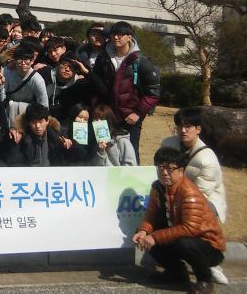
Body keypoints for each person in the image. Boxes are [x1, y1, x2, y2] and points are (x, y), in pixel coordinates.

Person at [133, 146, 226, 294]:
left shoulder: (189, 192)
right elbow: (151, 216)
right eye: (161, 167)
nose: (164, 172)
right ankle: (176, 273)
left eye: (170, 168)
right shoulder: (158, 187)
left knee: (184, 243)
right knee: (144, 235)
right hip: (181, 237)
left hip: (208, 246)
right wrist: (144, 231)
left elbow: (190, 229)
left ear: (181, 170)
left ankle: (205, 281)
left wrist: (155, 237)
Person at [161, 107, 229, 285]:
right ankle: (175, 269)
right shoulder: (168, 144)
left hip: (205, 201)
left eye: (188, 127)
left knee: (189, 229)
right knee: (155, 224)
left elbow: (199, 197)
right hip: (176, 196)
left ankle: (209, 264)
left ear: (198, 129)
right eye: (180, 126)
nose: (183, 130)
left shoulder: (208, 159)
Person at [92, 21, 160, 159]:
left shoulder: (140, 60)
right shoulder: (103, 57)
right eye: (113, 34)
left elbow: (153, 93)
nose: (116, 37)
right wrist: (96, 108)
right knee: (102, 151)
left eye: (120, 34)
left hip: (129, 118)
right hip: (104, 115)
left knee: (130, 154)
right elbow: (95, 84)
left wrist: (138, 113)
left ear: (129, 37)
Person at [4, 103, 72, 167]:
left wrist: (68, 146)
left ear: (47, 121)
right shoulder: (18, 137)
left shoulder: (57, 136)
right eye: (33, 122)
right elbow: (14, 163)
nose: (37, 126)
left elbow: (69, 160)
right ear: (28, 123)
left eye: (40, 122)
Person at [1, 43, 49, 121]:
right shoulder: (6, 72)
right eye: (20, 59)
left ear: (32, 61)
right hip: (7, 111)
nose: (23, 63)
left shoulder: (37, 80)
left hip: (30, 114)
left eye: (26, 59)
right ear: (14, 60)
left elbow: (43, 105)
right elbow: (0, 99)